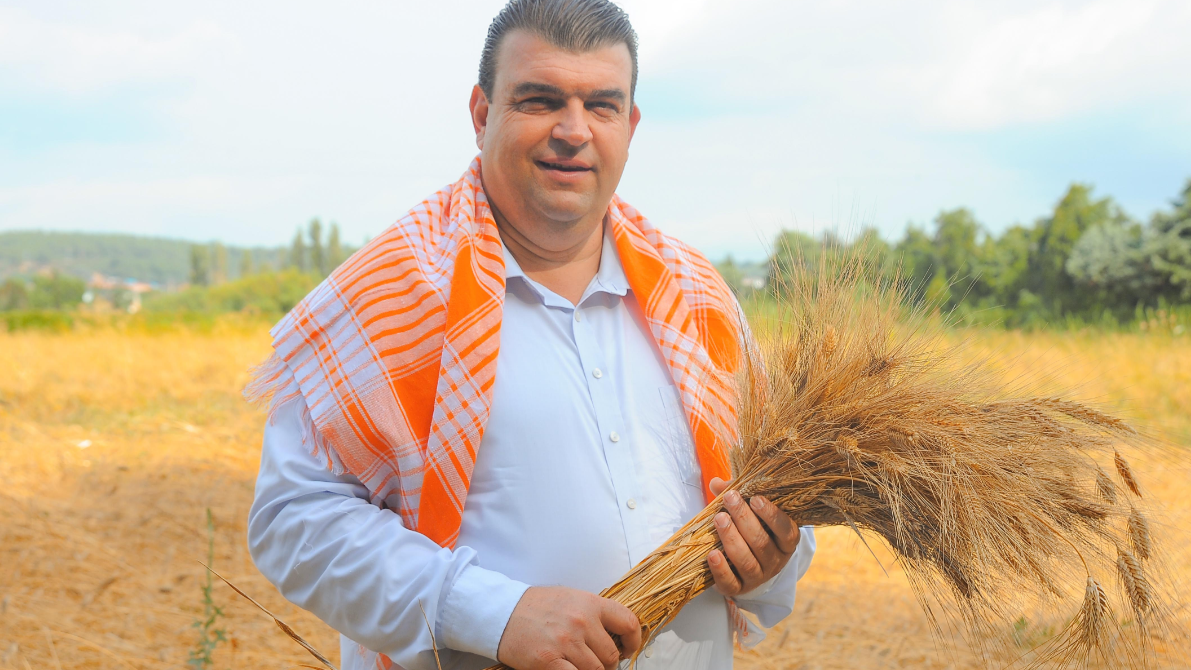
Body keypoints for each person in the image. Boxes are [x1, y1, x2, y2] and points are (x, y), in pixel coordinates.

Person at [246, 1, 815, 669]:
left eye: (601, 106)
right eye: (541, 100)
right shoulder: (391, 294)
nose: (573, 132)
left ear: (629, 126)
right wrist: (493, 612)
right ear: (483, 114)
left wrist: (775, 555)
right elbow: (294, 522)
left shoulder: (697, 295)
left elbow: (775, 500)